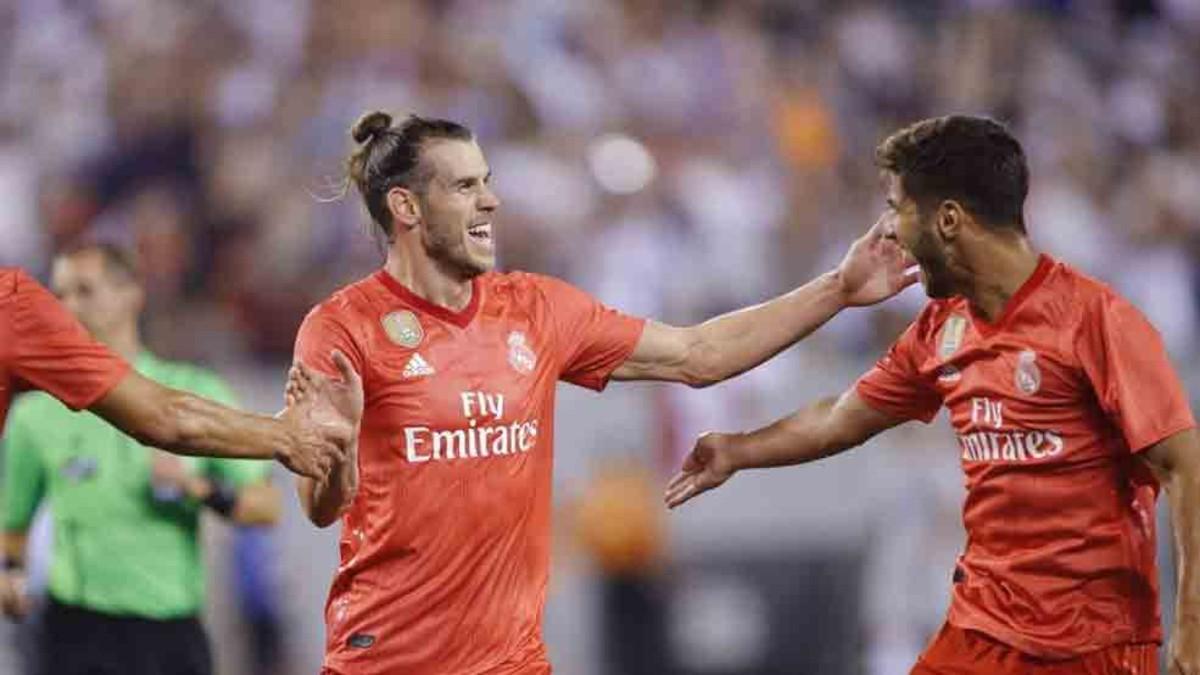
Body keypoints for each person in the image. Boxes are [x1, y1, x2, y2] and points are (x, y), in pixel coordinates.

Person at [289, 110, 915, 675]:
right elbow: (319, 508)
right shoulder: (342, 328)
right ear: (407, 207)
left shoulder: (536, 309)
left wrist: (837, 289)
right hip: (389, 659)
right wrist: (339, 451)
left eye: (487, 181)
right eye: (465, 187)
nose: (492, 201)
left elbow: (700, 355)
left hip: (512, 662)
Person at [665, 115, 1200, 675]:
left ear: (948, 219)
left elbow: (1186, 471)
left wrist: (1190, 626)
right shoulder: (940, 329)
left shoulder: (1097, 322)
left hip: (1094, 648)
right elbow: (840, 418)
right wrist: (737, 450)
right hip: (980, 636)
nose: (888, 231)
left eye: (896, 207)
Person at [0, 243, 282, 675]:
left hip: (168, 631)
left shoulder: (191, 394)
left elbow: (266, 508)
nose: (68, 306)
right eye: (60, 293)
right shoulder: (35, 413)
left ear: (132, 293)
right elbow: (12, 529)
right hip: (75, 631)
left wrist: (198, 489)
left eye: (85, 290)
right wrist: (11, 576)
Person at [0, 263, 357, 480]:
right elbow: (162, 418)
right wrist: (286, 436)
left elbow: (257, 503)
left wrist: (209, 491)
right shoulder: (11, 305)